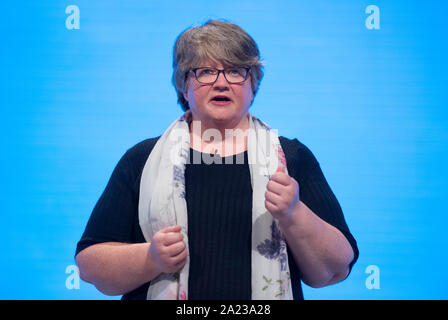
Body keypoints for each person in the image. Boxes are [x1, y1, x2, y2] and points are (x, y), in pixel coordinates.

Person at [75, 19, 359, 300]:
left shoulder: (292, 159)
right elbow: (90, 266)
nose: (221, 82)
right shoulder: (142, 158)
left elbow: (334, 270)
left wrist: (294, 213)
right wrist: (150, 258)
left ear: (253, 85)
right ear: (184, 86)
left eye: (236, 71)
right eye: (206, 71)